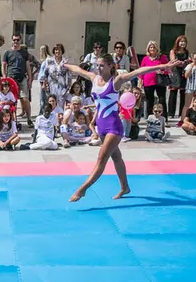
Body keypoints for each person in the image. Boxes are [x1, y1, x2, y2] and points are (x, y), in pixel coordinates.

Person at [63, 53, 181, 202]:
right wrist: (64, 65)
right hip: (101, 127)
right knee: (116, 157)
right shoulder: (94, 79)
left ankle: (83, 189)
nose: (98, 68)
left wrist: (163, 66)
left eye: (102, 65)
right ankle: (125, 187)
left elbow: (139, 71)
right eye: (97, 65)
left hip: (114, 127)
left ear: (110, 66)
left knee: (102, 158)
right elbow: (77, 70)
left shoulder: (116, 81)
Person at [2, 35, 32, 126]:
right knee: (12, 100)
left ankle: (29, 119)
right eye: (14, 40)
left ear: (20, 40)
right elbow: (3, 66)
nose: (16, 41)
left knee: (25, 98)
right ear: (12, 41)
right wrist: (4, 77)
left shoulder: (24, 52)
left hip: (22, 78)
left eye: (17, 40)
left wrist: (30, 79)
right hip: (11, 79)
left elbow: (28, 66)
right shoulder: (7, 53)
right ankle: (12, 120)